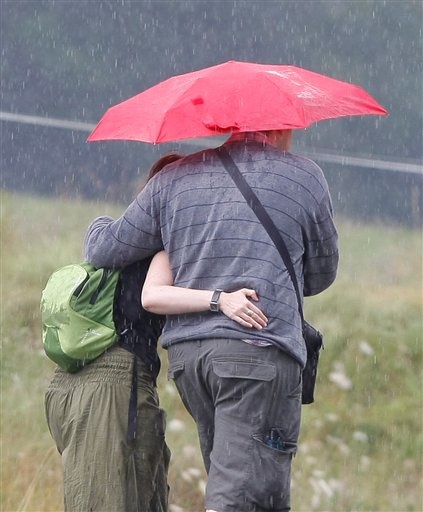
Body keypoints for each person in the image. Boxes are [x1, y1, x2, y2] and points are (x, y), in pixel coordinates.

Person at [83, 130, 339, 512]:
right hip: (257, 355)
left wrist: (102, 221)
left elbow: (104, 249)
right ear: (279, 126)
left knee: (242, 481)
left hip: (191, 362)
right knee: (243, 495)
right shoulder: (305, 176)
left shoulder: (174, 179)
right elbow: (322, 272)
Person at [44, 152, 268, 512]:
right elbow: (153, 296)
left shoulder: (120, 239)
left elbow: (98, 244)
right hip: (113, 386)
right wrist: (220, 300)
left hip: (71, 388)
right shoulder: (164, 243)